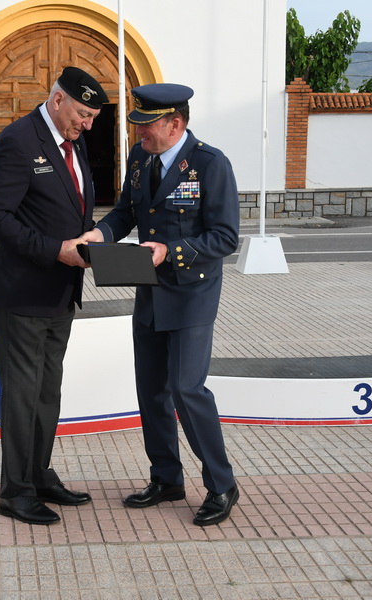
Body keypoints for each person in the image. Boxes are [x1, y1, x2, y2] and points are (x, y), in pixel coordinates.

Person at [80, 83, 240, 526]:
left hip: (191, 294)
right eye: (138, 125)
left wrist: (173, 251)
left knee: (187, 389)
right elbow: (125, 212)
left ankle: (222, 484)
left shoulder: (210, 164)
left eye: (147, 126)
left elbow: (225, 237)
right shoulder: (140, 158)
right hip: (150, 290)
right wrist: (100, 234)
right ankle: (166, 478)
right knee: (151, 390)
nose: (139, 133)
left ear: (176, 124)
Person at [0, 66, 109, 525]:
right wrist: (55, 250)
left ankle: (38, 473)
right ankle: (15, 492)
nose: (87, 125)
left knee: (47, 392)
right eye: (82, 114)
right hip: (22, 290)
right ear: (57, 100)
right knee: (21, 393)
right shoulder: (18, 140)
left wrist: (88, 240)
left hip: (61, 291)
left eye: (92, 118)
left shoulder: (74, 141)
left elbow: (70, 206)